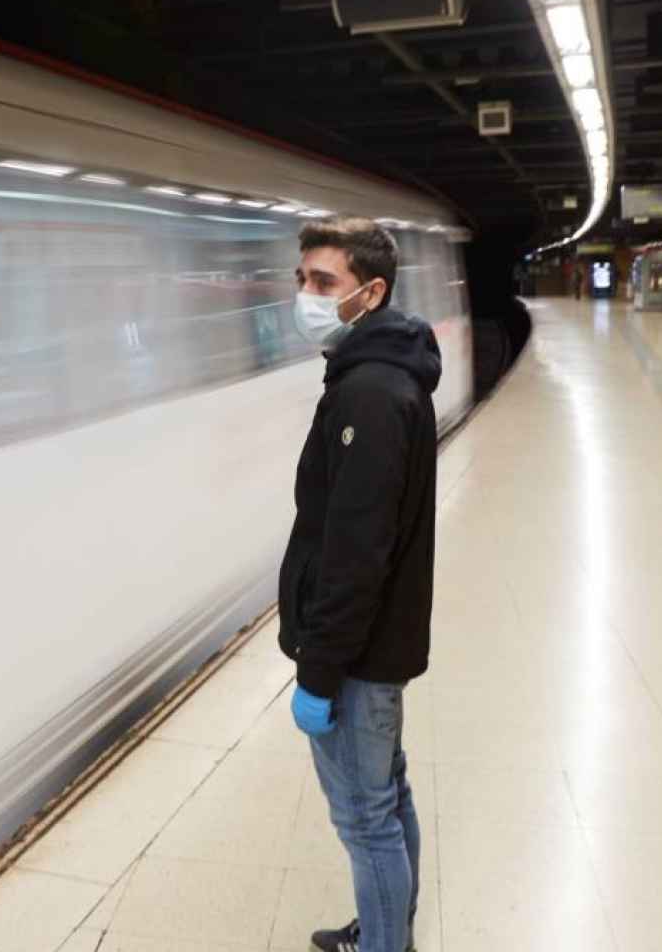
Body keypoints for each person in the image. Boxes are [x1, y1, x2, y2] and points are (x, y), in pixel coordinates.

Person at [277, 216, 440, 952]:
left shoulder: (370, 395)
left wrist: (319, 669)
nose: (305, 294)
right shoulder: (379, 375)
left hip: (356, 658)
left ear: (370, 293)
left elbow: (353, 552)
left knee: (365, 818)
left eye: (323, 282)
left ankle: (383, 946)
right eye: (301, 279)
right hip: (379, 647)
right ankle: (385, 932)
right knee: (387, 795)